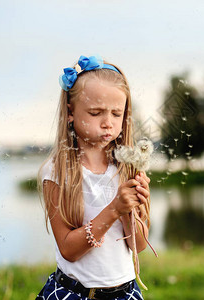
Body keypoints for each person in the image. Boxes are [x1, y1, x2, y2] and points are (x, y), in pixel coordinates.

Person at [36, 55, 151, 300]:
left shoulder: (127, 168)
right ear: (70, 112)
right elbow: (69, 249)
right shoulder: (57, 172)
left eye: (116, 114)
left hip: (125, 292)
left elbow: (138, 246)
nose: (108, 123)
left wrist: (135, 208)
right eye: (96, 113)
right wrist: (114, 209)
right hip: (75, 293)